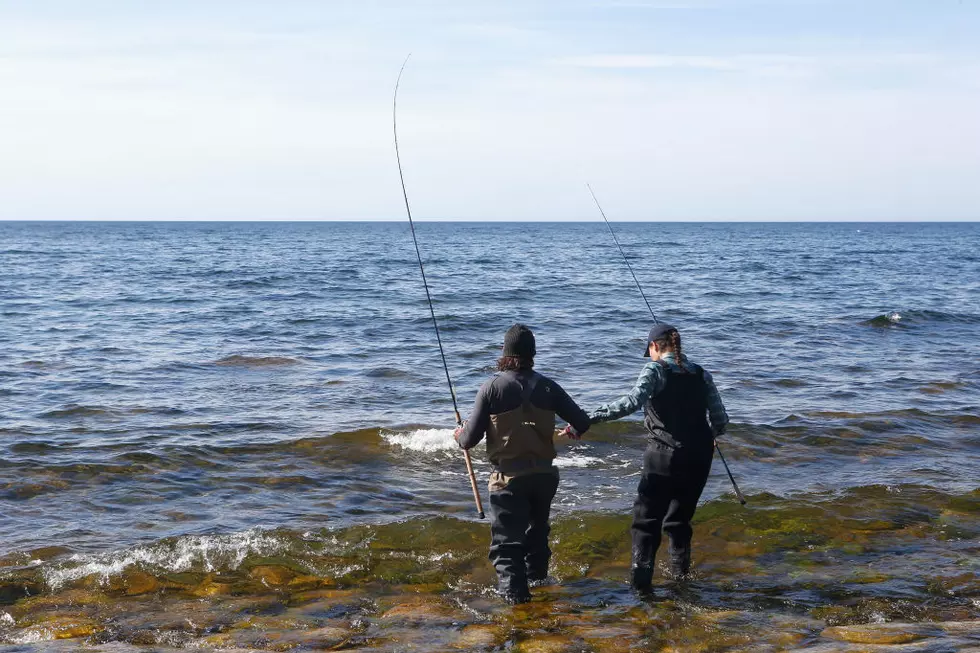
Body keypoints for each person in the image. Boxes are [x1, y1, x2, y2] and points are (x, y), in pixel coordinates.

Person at [578, 323, 728, 592]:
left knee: (646, 522)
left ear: (655, 347)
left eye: (651, 351)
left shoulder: (656, 369)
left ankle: (641, 588)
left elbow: (630, 403)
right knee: (679, 521)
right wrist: (713, 434)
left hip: (664, 456)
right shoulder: (702, 374)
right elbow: (721, 419)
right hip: (699, 456)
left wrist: (586, 419)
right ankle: (680, 581)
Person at [455, 324, 591, 604]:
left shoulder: (492, 387)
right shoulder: (549, 386)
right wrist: (568, 428)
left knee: (506, 546)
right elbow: (583, 422)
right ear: (532, 354)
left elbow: (469, 440)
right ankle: (540, 589)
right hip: (544, 477)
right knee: (537, 534)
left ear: (505, 353)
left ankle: (515, 601)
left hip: (509, 481)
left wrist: (459, 434)